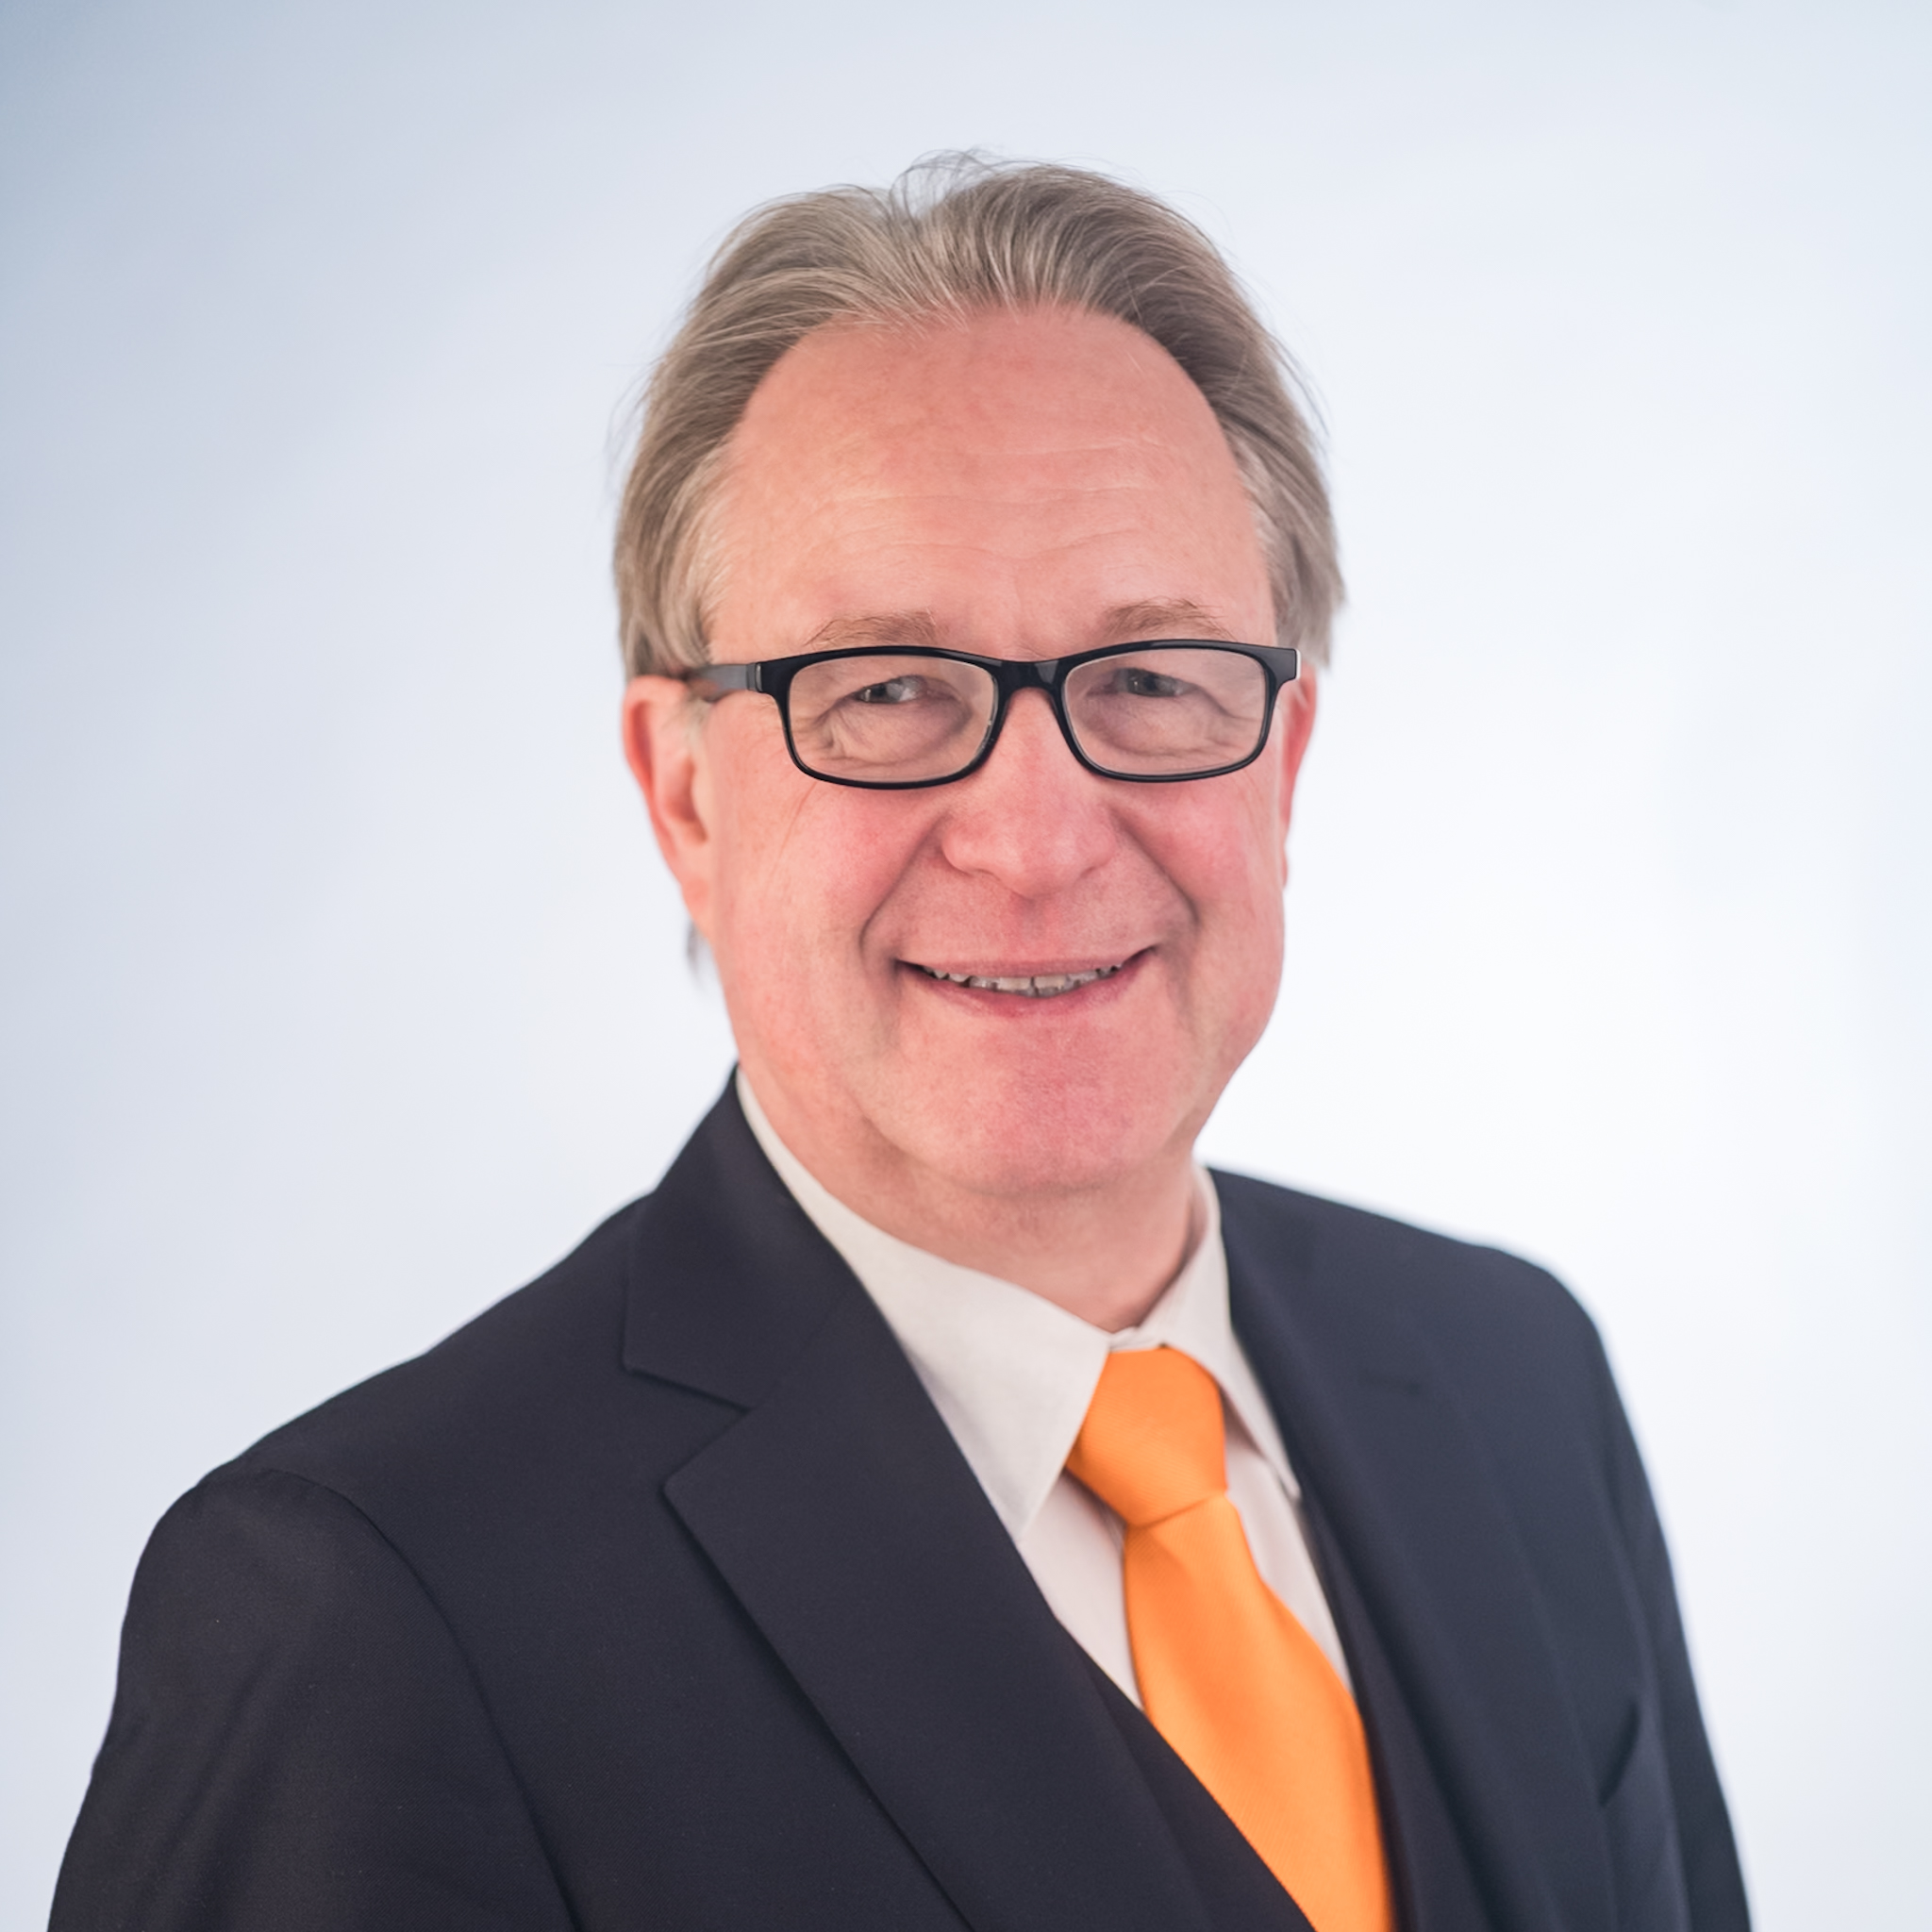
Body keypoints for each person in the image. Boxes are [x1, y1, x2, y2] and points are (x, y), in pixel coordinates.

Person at [52, 158, 1749, 1932]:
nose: (1038, 839)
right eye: (885, 690)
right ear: (687, 795)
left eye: (1150, 679)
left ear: (1283, 764)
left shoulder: (1513, 1378)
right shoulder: (377, 1611)